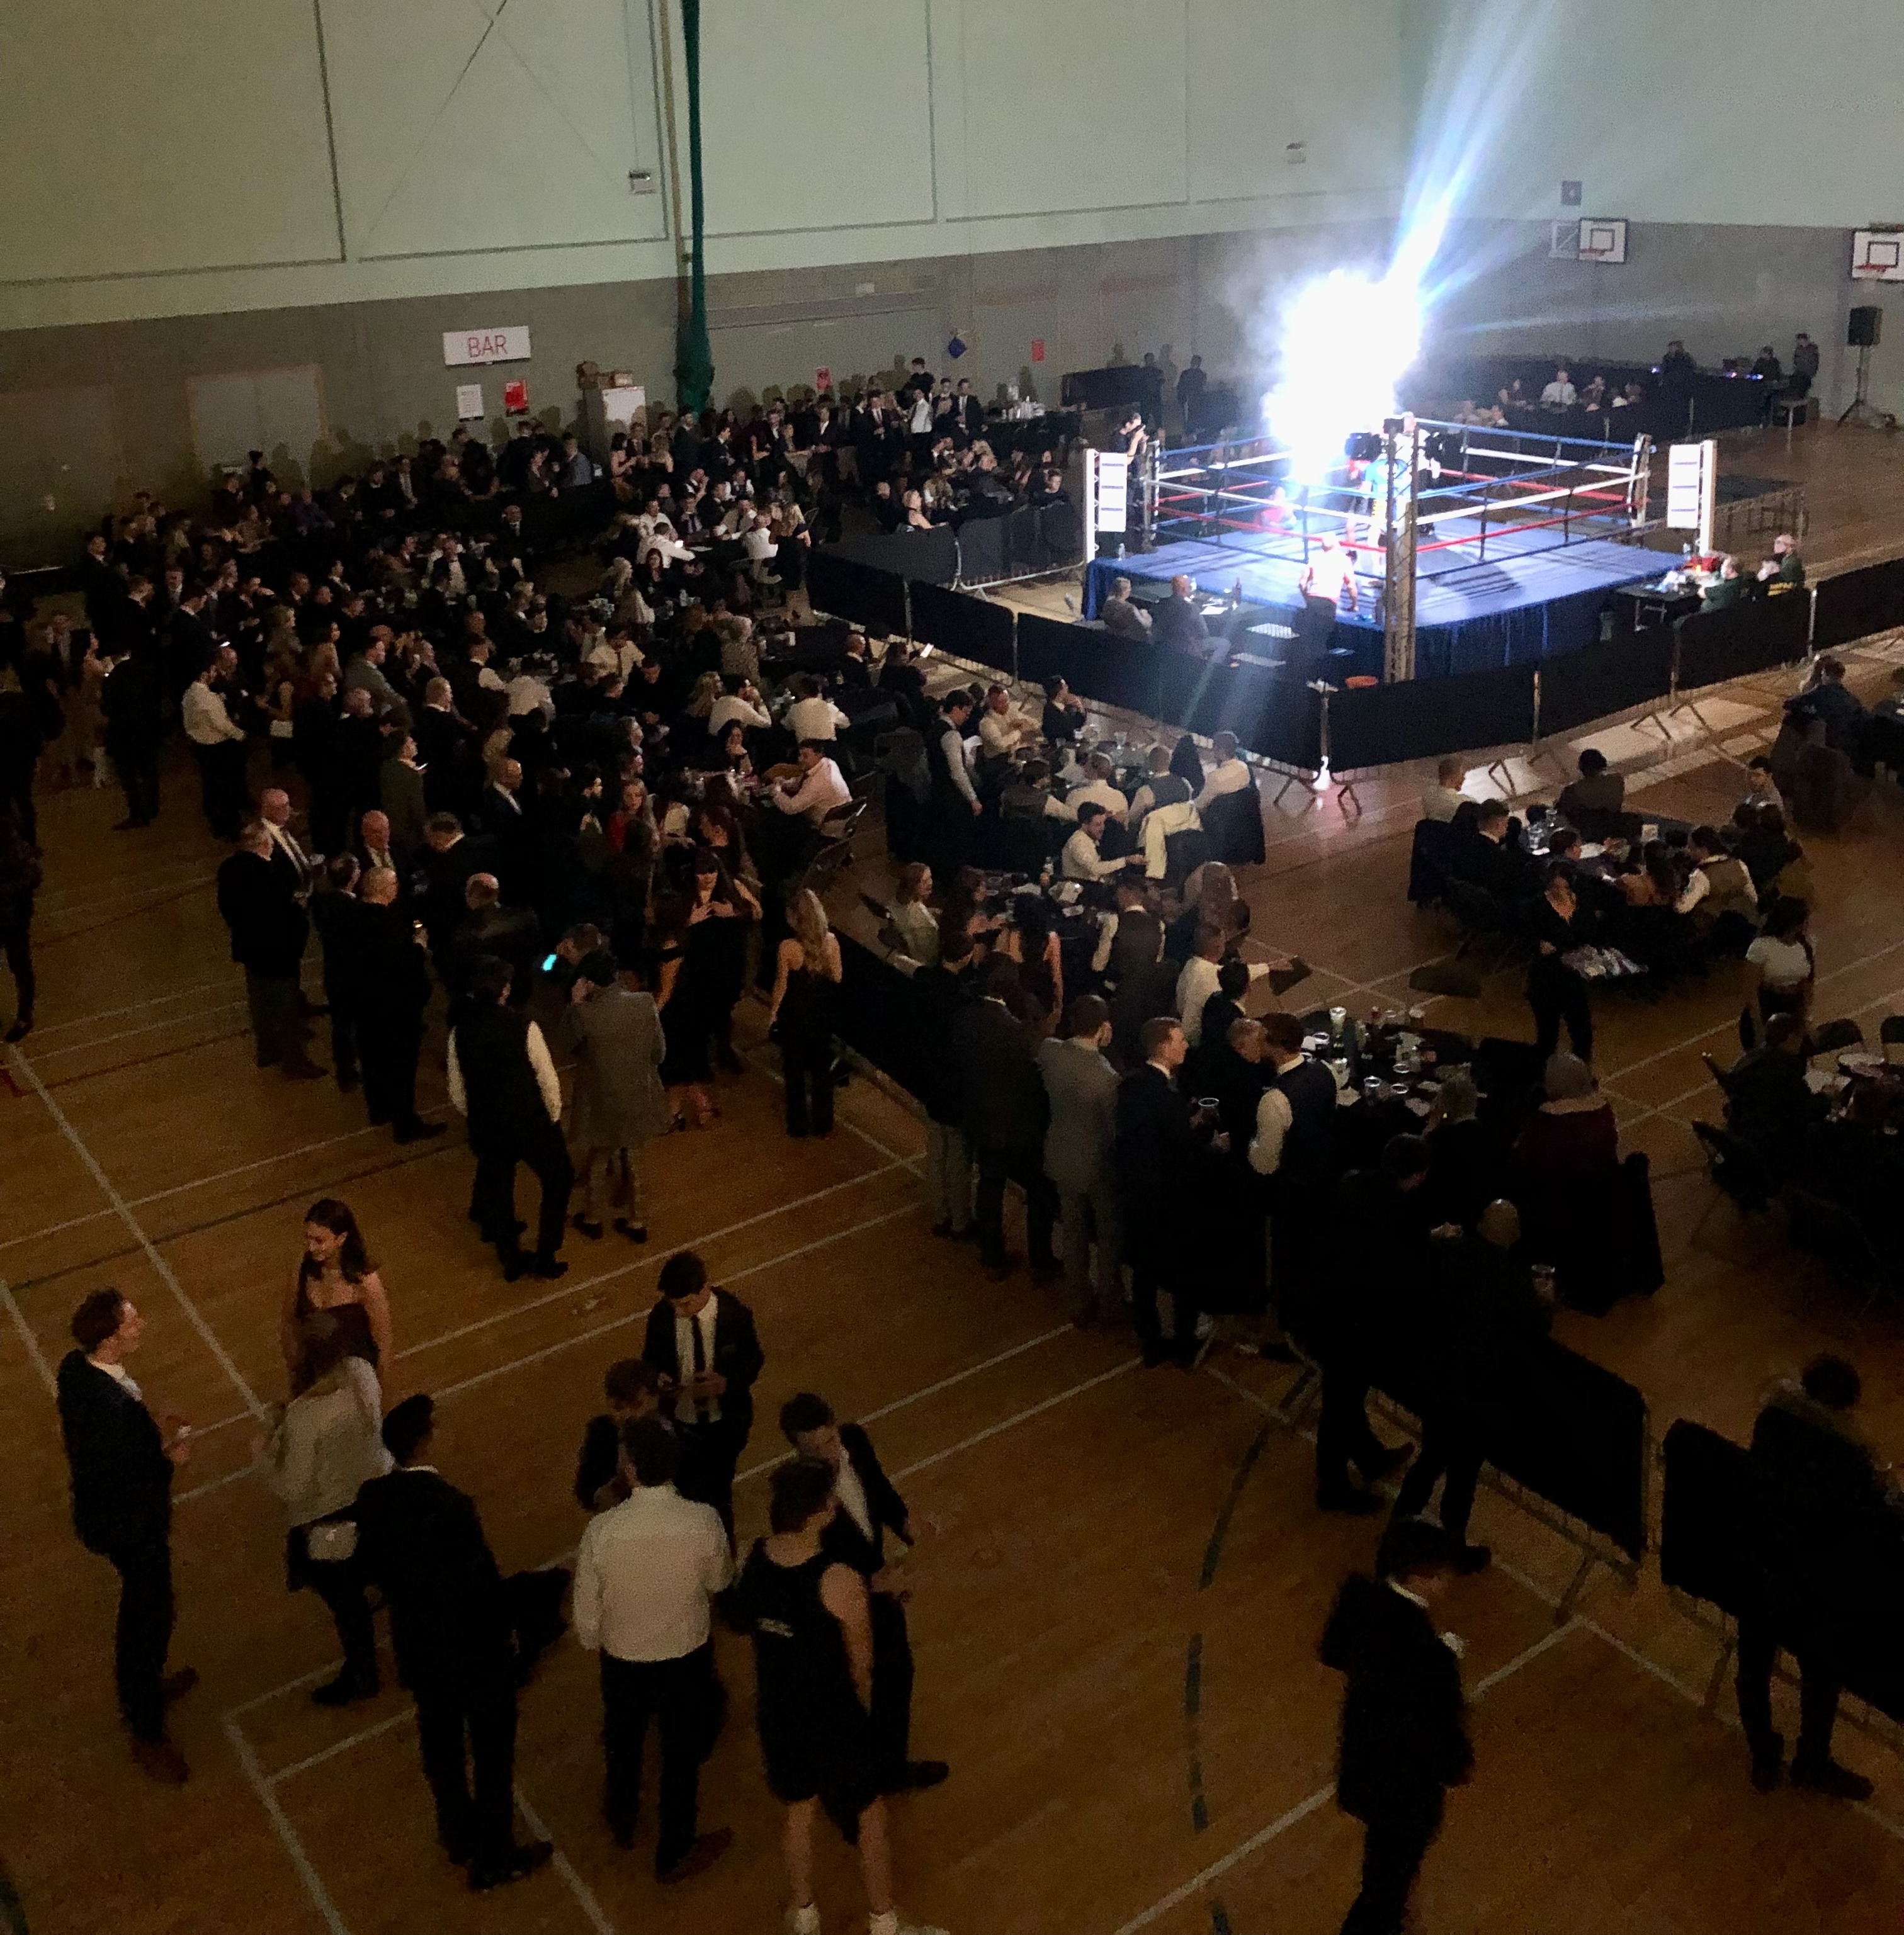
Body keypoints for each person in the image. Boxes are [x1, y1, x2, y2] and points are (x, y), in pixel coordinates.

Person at [734, 1458, 948, 1935]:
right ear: (817, 1512)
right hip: (831, 1717)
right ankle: (885, 1922)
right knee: (870, 1816)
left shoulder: (757, 1558)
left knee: (798, 1812)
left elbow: (750, 1621)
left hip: (778, 1712)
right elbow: (862, 1659)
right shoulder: (838, 1580)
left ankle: (805, 1913)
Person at [354, 1395, 555, 1890]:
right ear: (425, 1442)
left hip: (420, 1647)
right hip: (473, 1649)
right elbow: (481, 1587)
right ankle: (496, 1855)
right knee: (491, 1754)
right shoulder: (452, 1507)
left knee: (440, 1744)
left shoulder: (373, 1498)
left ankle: (457, 1832)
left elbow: (372, 1571)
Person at [572, 1417, 735, 1880]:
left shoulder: (603, 1531)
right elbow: (720, 1580)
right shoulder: (702, 1520)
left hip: (623, 1658)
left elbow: (587, 1610)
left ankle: (622, 1816)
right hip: (686, 1654)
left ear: (630, 1468)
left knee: (623, 1739)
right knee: (680, 1755)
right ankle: (675, 1850)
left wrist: (596, 1640)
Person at [1737, 1355, 1899, 1800]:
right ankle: (1812, 1761)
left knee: (1753, 1665)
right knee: (1821, 1672)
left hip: (1759, 1567)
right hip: (1813, 1586)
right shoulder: (1850, 1460)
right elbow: (1869, 1520)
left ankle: (1763, 1754)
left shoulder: (1771, 1422)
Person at [55, 1289, 197, 1783]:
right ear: (112, 1338)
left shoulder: (75, 1370)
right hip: (130, 1528)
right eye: (133, 1322)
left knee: (150, 1609)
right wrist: (172, 1454)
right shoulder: (117, 1412)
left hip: (102, 1515)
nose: (141, 1326)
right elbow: (140, 1472)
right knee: (149, 1619)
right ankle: (145, 1723)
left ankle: (144, 1692)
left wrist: (149, 1430)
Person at [779, 1394, 948, 1793]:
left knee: (895, 1673)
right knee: (845, 1685)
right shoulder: (800, 1496)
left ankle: (887, 1766)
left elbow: (878, 1488)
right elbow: (806, 1567)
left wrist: (905, 1522)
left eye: (830, 1440)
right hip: (842, 1604)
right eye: (815, 1450)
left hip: (877, 1586)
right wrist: (868, 1585)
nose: (829, 1454)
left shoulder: (855, 1440)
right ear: (798, 1449)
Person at [1320, 1516, 1473, 1935]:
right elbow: (1441, 1742)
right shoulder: (1432, 1662)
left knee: (1386, 1877)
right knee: (1384, 1891)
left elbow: (1335, 1651)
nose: (1447, 1585)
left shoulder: (1361, 1599)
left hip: (1363, 1765)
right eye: (1442, 1577)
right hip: (1403, 1792)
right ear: (1421, 1578)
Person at [1390, 1200, 1552, 1570]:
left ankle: (1400, 1524)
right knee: (1462, 1474)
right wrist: (1544, 1303)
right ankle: (1453, 1544)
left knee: (1431, 1458)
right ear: (1514, 1237)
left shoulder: (1449, 1254)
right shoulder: (1514, 1283)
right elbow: (1534, 1332)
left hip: (1435, 1379)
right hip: (1476, 1394)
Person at [258, 1312, 391, 1706]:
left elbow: (293, 1486)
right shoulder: (361, 1373)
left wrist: (265, 1452)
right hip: (378, 1498)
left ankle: (363, 1675)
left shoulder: (306, 1416)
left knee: (347, 1606)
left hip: (332, 1521)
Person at [446, 954, 574, 1280]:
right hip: (531, 1122)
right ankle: (546, 1253)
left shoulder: (459, 1033)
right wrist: (552, 1117)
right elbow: (547, 1080)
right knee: (559, 1179)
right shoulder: (524, 1027)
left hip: (489, 1126)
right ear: (504, 990)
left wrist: (478, 1115)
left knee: (499, 1189)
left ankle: (510, 1256)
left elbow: (458, 1090)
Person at [1116, 1015, 1227, 1367]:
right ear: (1164, 1047)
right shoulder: (1166, 1097)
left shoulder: (1130, 1087)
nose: (1186, 1045)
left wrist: (1183, 1122)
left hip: (1135, 1195)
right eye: (1180, 1040)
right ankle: (1184, 1344)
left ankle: (1150, 1344)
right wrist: (1213, 1145)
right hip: (1167, 1201)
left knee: (1144, 1277)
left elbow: (1149, 1136)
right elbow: (1185, 1154)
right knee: (1184, 1275)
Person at [641, 1249, 765, 1538]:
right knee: (680, 1489)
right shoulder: (661, 1316)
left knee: (720, 1493)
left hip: (724, 1425)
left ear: (705, 1288)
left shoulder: (734, 1315)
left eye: (685, 1304)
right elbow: (650, 1359)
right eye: (674, 1305)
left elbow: (754, 1360)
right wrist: (658, 1377)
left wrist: (727, 1383)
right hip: (680, 1422)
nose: (679, 1312)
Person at [951, 959, 1058, 1282]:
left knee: (989, 1185)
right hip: (1018, 1127)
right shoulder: (1017, 1032)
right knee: (1039, 1191)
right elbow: (1032, 1081)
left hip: (980, 1120)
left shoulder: (964, 1018)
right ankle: (1040, 1259)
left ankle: (992, 1252)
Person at [559, 947, 666, 1243]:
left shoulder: (584, 1014)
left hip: (600, 1099)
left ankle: (593, 1218)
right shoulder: (644, 1003)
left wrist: (574, 1005)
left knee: (599, 1156)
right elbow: (659, 1053)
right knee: (633, 1156)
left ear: (589, 983)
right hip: (639, 1094)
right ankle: (637, 1220)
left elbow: (566, 1044)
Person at [1038, 995, 1123, 1327]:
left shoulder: (1050, 1052)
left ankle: (1079, 1300)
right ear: (1103, 1028)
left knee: (1072, 1233)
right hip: (1096, 1166)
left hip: (1060, 1155)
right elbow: (1113, 1131)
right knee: (1107, 1236)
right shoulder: (1106, 1078)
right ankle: (1109, 1301)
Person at [217, 821, 323, 1078]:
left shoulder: (229, 869)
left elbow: (227, 908)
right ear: (265, 844)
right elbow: (283, 914)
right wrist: (299, 911)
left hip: (249, 948)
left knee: (259, 1001)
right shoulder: (270, 875)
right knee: (286, 1008)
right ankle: (295, 1061)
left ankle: (267, 1049)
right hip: (278, 952)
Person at [353, 866, 442, 1142]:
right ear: (384, 890)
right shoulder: (388, 924)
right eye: (393, 885)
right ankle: (405, 1125)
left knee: (373, 1060)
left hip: (365, 1003)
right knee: (402, 1066)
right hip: (396, 1007)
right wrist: (419, 945)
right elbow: (402, 963)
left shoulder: (353, 916)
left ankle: (379, 1109)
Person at [283, 1197, 395, 1394]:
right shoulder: (303, 1268)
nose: (311, 1247)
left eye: (319, 1241)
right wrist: (295, 1371)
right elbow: (289, 1323)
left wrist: (379, 1398)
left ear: (341, 1239)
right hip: (313, 1377)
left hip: (351, 1386)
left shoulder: (366, 1283)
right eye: (308, 1238)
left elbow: (383, 1345)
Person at [767, 888, 844, 1138]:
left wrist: (773, 1013)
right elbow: (838, 977)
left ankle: (798, 1125)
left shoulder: (787, 947)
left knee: (795, 1071)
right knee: (822, 1070)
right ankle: (823, 1122)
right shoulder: (832, 942)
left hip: (795, 1016)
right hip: (821, 1015)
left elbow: (781, 985)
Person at [1526, 863, 1594, 1062]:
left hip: (1575, 975)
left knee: (1582, 1029)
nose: (1559, 892)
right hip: (1546, 977)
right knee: (1547, 1032)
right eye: (1554, 887)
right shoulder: (1537, 905)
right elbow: (1526, 935)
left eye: (1564, 888)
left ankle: (1581, 1068)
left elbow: (1589, 933)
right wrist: (1539, 944)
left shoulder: (1581, 904)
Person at [181, 656, 249, 839]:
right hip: (216, 748)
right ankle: (228, 826)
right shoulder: (204, 697)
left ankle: (220, 822)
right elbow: (220, 723)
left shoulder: (190, 694)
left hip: (201, 746)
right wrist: (240, 734)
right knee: (223, 787)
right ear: (204, 674)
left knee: (211, 786)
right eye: (212, 670)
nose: (215, 673)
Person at [0, 802, 39, 1041]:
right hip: (9, 910)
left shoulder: (8, 839)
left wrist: (5, 892)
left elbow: (33, 875)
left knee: (19, 964)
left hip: (13, 914)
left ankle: (25, 1015)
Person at [1555, 747, 1624, 840]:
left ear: (1581, 767)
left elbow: (1560, 811)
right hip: (1614, 824)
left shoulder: (1573, 789)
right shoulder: (1617, 779)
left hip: (1588, 831)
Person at [1061, 802, 1136, 884]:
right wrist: (1126, 861)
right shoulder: (1078, 842)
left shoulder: (1090, 838)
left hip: (1091, 884)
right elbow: (1095, 869)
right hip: (1080, 886)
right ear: (1085, 825)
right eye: (1098, 824)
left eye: (1103, 823)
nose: (1103, 828)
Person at [1153, 574, 1210, 652]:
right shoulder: (1191, 608)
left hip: (1164, 645)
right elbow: (1204, 632)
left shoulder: (1162, 603)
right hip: (1188, 648)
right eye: (1190, 587)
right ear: (1185, 589)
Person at [1099, 576, 1153, 641]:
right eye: (1129, 588)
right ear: (1124, 591)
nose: (1130, 590)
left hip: (1112, 635)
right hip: (1127, 639)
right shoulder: (1130, 609)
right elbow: (1144, 626)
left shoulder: (1108, 603)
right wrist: (1145, 615)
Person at [1419, 757, 1466, 823]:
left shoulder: (1428, 795)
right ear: (1452, 780)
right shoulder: (1462, 802)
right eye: (1462, 775)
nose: (1464, 778)